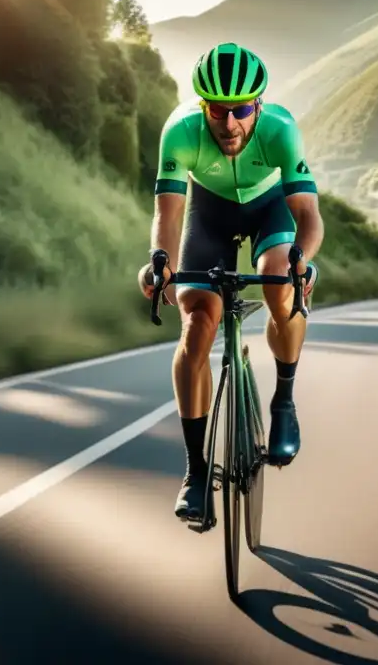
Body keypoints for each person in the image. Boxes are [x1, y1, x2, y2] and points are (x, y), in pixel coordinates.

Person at [138, 42, 325, 521]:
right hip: (210, 215)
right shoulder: (180, 132)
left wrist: (301, 260)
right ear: (204, 106)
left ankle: (284, 400)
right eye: (218, 110)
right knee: (197, 325)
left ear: (257, 104)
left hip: (270, 209)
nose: (229, 123)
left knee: (278, 287)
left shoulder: (280, 129)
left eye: (241, 110)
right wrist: (160, 263)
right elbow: (169, 215)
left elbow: (308, 216)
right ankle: (196, 472)